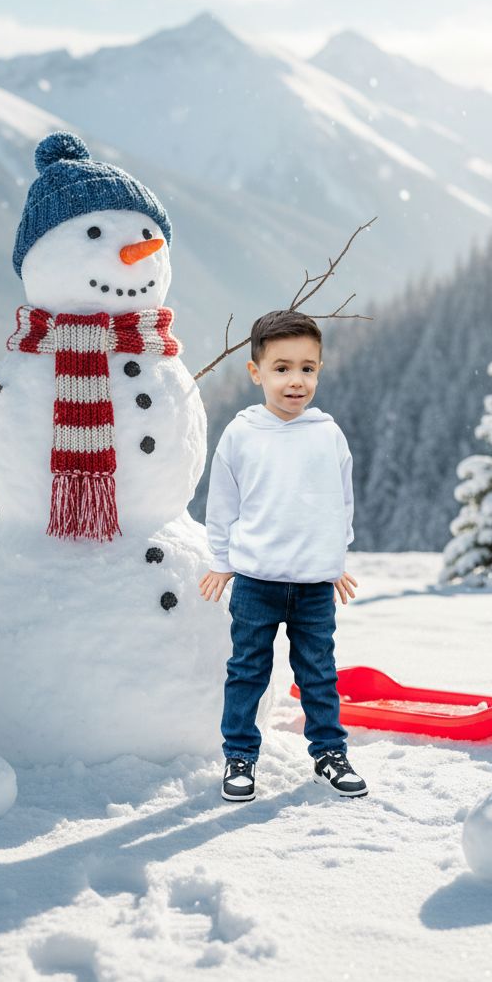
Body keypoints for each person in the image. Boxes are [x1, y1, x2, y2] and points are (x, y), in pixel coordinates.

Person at [198, 309, 367, 801]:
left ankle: (329, 754)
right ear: (257, 372)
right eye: (282, 368)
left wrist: (335, 561)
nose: (296, 380)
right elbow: (223, 503)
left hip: (314, 584)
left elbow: (341, 501)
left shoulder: (327, 434)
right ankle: (240, 758)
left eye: (307, 368)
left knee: (318, 671)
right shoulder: (242, 433)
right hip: (256, 581)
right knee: (247, 670)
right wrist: (222, 560)